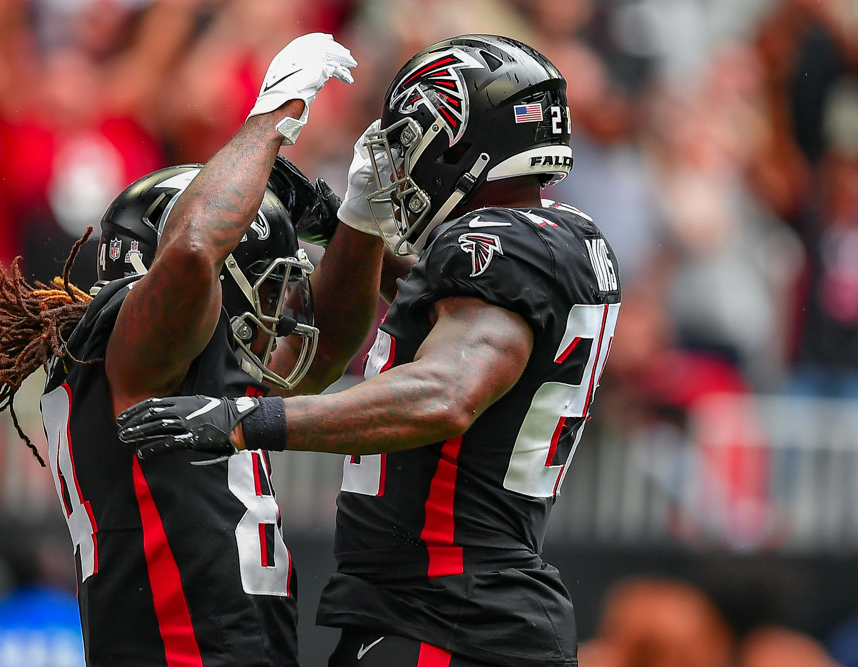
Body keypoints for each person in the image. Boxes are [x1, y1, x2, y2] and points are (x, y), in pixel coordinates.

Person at [118, 34, 622, 667]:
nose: (399, 160)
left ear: (459, 137)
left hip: (448, 618)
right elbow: (426, 304)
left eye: (408, 138)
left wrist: (248, 421)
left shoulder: (496, 244)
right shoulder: (552, 239)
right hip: (456, 611)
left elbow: (446, 393)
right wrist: (349, 220)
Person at [0, 32, 395, 667]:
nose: (280, 311)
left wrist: (354, 219)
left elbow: (325, 348)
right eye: (267, 285)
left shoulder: (178, 362)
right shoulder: (130, 341)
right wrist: (271, 118)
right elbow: (193, 250)